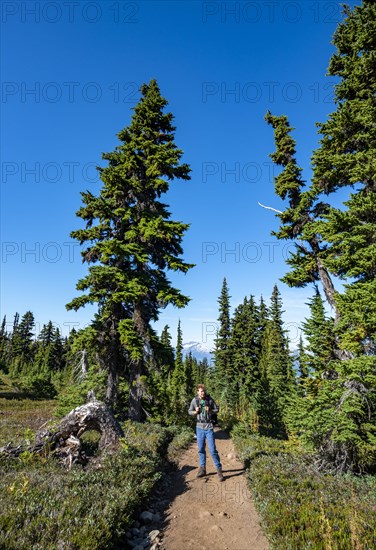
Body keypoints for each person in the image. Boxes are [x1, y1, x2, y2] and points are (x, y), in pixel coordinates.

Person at [188, 384, 224, 481]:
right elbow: (189, 411)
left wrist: (211, 410)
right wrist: (195, 412)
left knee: (212, 450)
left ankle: (219, 470)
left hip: (209, 427)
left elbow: (217, 409)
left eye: (203, 391)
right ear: (197, 392)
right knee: (200, 449)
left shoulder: (209, 399)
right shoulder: (194, 401)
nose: (202, 393)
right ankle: (202, 468)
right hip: (199, 427)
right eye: (200, 391)